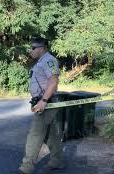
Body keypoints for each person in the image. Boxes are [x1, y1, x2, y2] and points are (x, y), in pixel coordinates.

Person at [18, 37, 65, 174]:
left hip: (47, 102)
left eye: (33, 48)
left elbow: (53, 81)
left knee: (35, 134)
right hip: (44, 101)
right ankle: (57, 161)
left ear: (42, 48)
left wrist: (43, 101)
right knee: (51, 135)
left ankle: (26, 168)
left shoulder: (49, 60)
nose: (30, 50)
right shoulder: (41, 62)